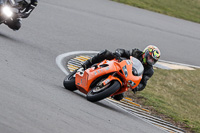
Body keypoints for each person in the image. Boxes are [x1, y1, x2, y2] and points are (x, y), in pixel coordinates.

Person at [82, 45, 161, 101]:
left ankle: (104, 89)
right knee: (106, 53)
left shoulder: (149, 71)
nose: (151, 61)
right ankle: (87, 63)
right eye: (150, 58)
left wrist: (136, 87)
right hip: (119, 65)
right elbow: (123, 51)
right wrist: (118, 53)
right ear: (145, 53)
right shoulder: (136, 53)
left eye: (153, 60)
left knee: (119, 97)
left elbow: (143, 83)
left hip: (126, 77)